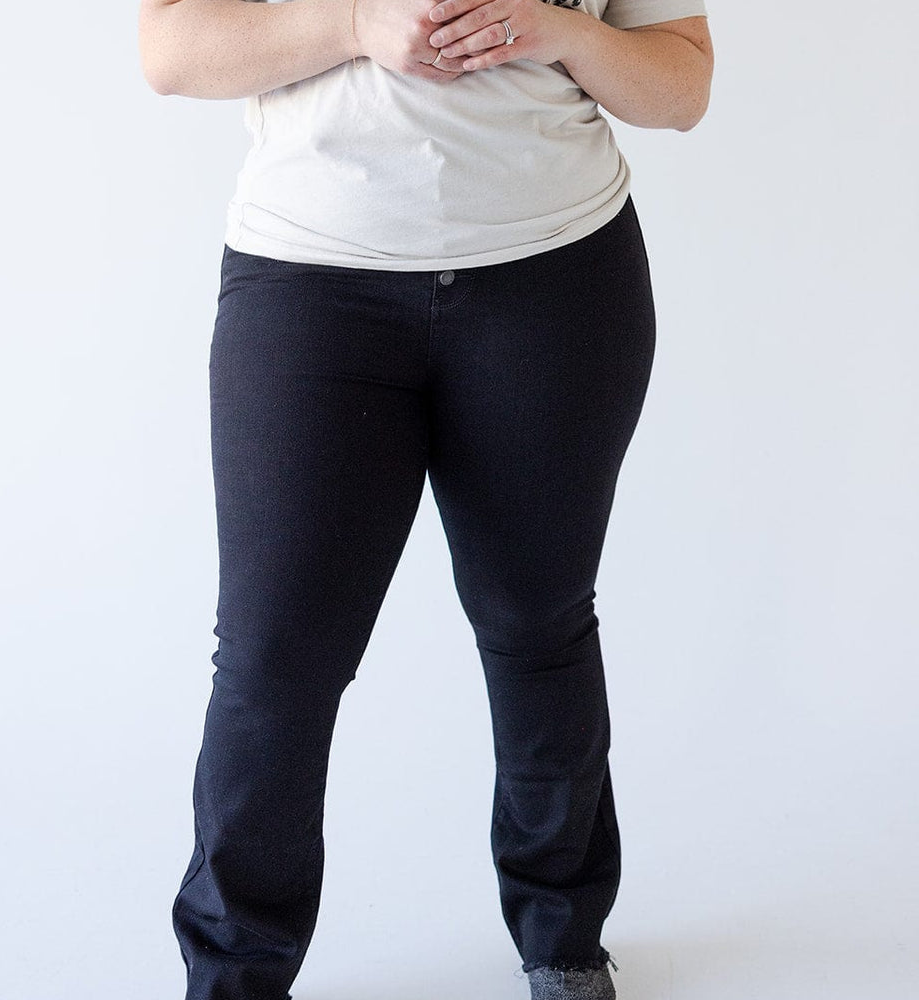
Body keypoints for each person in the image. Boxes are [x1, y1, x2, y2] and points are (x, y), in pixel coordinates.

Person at [138, 1, 713, 998]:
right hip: (310, 286)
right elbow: (170, 50)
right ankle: (234, 971)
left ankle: (564, 941)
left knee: (537, 624)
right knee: (275, 658)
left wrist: (564, 33)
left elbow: (681, 87)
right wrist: (357, 25)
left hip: (556, 279)